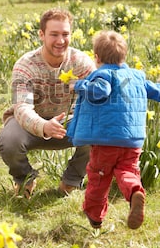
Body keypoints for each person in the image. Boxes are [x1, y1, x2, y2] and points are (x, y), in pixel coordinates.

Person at [0, 8, 96, 198]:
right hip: (30, 126)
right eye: (54, 34)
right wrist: (43, 126)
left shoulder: (81, 62)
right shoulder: (26, 65)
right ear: (41, 35)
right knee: (9, 141)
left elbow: (98, 102)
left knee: (99, 128)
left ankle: (71, 181)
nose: (60, 41)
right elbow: (22, 108)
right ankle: (25, 179)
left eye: (65, 34)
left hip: (68, 125)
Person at [67, 30, 160, 229]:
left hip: (106, 141)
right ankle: (135, 190)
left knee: (98, 177)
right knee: (128, 171)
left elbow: (101, 90)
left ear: (97, 58)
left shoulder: (102, 74)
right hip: (132, 141)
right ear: (123, 56)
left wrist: (79, 85)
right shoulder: (137, 76)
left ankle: (95, 216)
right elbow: (156, 91)